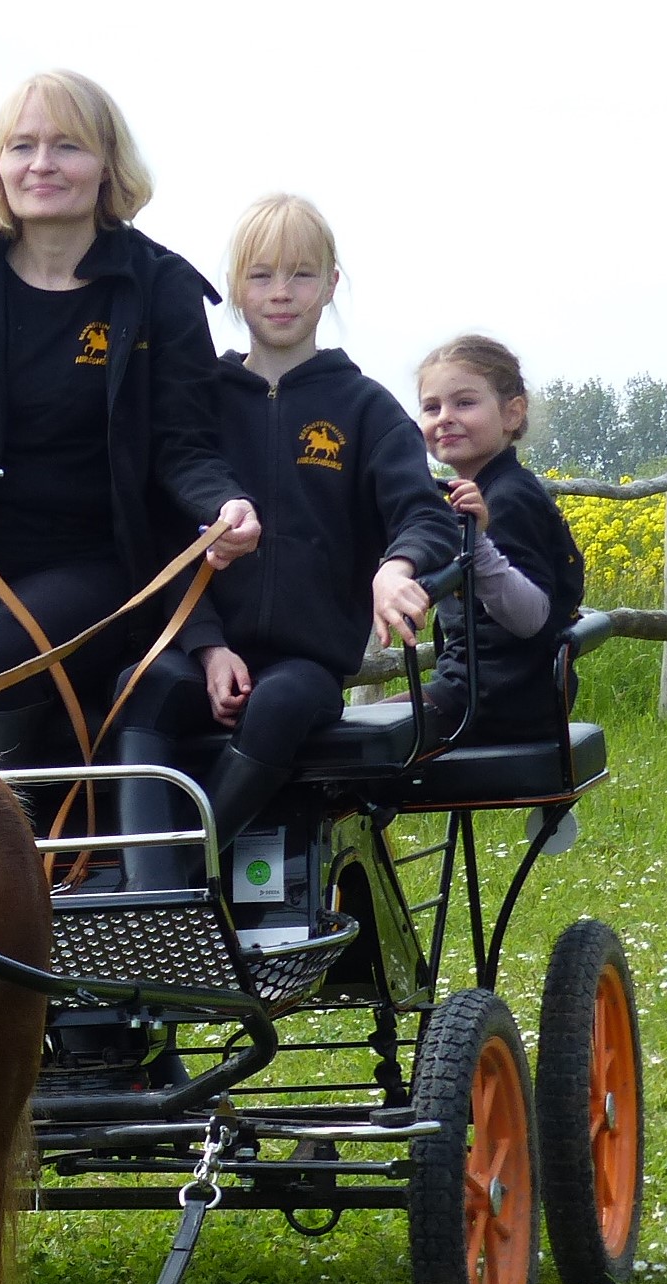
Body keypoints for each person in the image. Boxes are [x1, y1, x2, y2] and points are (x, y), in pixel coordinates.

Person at [0, 69, 261, 760]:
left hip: (90, 555)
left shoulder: (162, 287)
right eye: (21, 146)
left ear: (105, 164)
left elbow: (183, 445)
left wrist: (225, 504)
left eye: (65, 146)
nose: (40, 164)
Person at [117, 194, 461, 869]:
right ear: (234, 286)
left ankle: (194, 876)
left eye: (301, 275)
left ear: (331, 283)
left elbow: (423, 514)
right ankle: (145, 891)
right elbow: (164, 537)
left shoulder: (363, 408)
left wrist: (396, 568)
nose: (280, 294)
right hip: (201, 649)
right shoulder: (198, 403)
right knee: (141, 683)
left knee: (278, 702)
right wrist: (208, 646)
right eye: (261, 275)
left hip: (307, 665)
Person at [415, 335, 586, 742]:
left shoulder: (506, 500)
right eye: (431, 407)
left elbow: (532, 618)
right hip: (495, 692)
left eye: (464, 403)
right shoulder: (479, 493)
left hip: (493, 698)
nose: (445, 417)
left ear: (512, 413)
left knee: (341, 748)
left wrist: (480, 548)